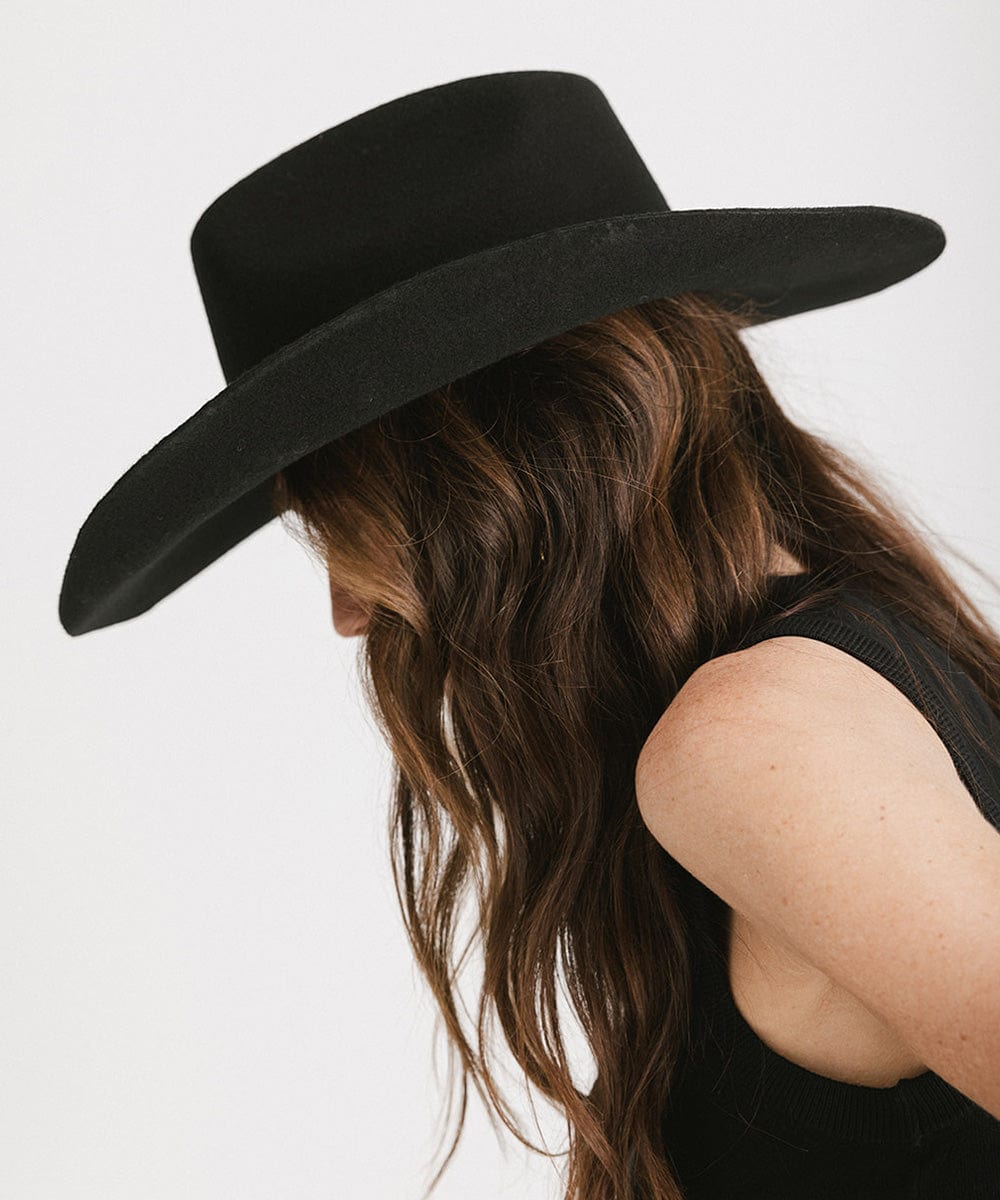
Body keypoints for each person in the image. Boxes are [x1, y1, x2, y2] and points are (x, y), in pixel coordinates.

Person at [60, 72, 1000, 1200]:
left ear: (496, 480)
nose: (348, 610)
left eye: (346, 523)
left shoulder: (759, 742)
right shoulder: (839, 669)